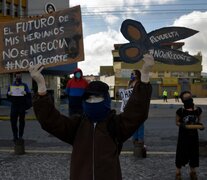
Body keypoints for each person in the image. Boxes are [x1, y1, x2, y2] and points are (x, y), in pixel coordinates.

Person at [28, 54, 154, 180]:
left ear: (106, 101)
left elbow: (136, 112)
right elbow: (50, 121)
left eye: (98, 98)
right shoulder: (77, 126)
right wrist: (41, 86)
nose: (93, 102)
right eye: (89, 99)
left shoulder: (115, 124)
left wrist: (144, 76)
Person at [175, 91, 203, 180]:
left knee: (194, 154)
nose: (189, 100)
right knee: (181, 153)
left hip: (194, 136)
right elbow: (177, 122)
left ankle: (193, 172)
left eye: (189, 98)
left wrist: (200, 125)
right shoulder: (180, 111)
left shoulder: (198, 110)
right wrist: (181, 125)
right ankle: (178, 173)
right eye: (186, 99)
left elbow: (199, 121)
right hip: (183, 136)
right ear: (183, 100)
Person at [7, 72, 31, 142]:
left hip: (22, 106)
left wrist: (25, 93)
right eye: (17, 76)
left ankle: (20, 136)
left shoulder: (24, 85)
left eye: (20, 76)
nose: (18, 78)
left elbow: (29, 95)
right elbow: (8, 96)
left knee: (22, 122)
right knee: (13, 122)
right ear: (15, 77)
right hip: (14, 106)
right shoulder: (11, 86)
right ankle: (15, 136)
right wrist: (9, 94)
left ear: (21, 77)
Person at [128, 70, 145, 146]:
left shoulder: (141, 83)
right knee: (133, 124)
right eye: (131, 74)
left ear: (137, 75)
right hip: (131, 106)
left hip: (139, 106)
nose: (132, 75)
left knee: (140, 123)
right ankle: (135, 138)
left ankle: (140, 139)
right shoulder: (130, 83)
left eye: (133, 74)